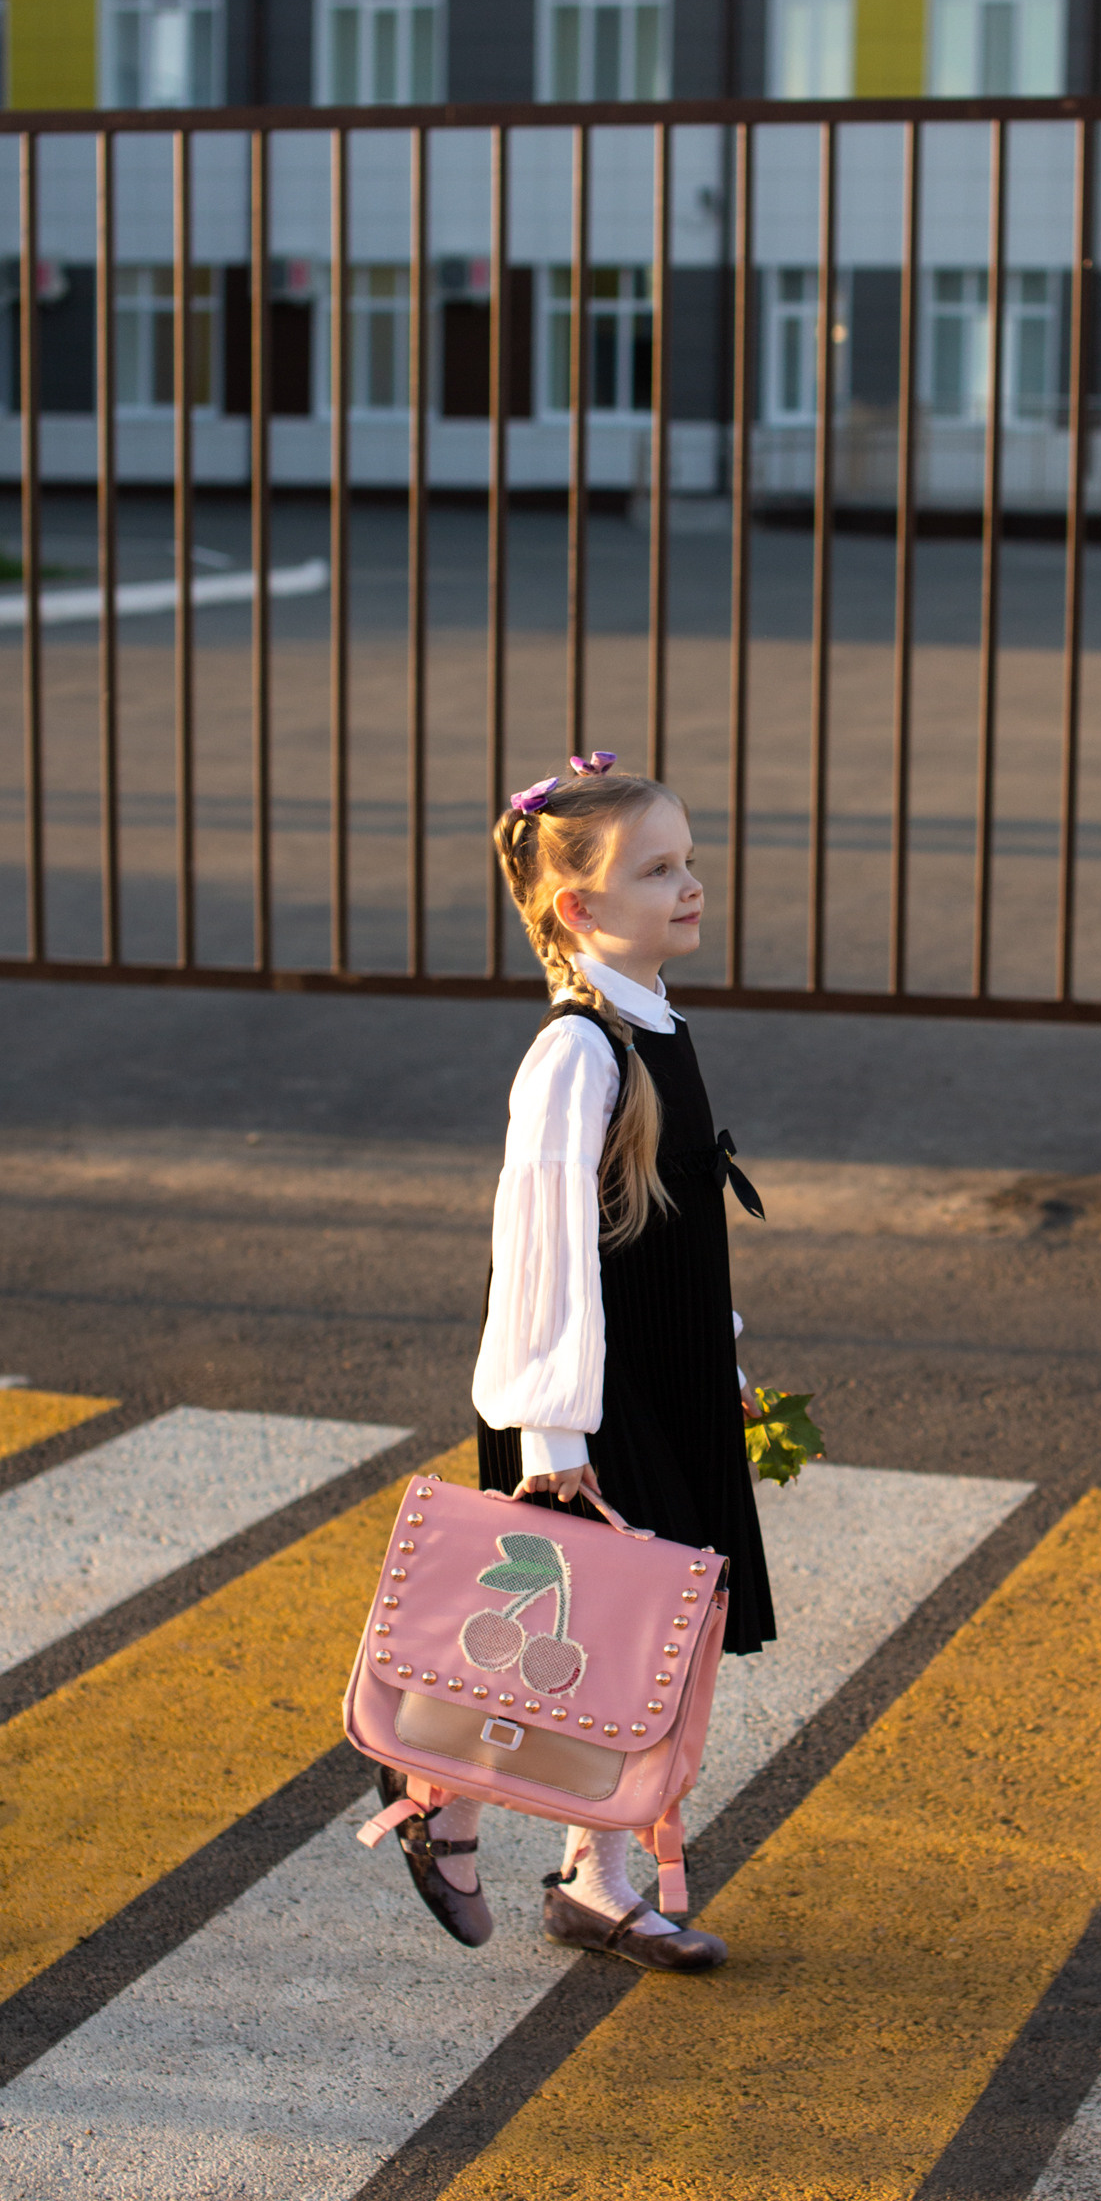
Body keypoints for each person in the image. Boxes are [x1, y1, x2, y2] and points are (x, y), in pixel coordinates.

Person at [374, 755, 774, 1975]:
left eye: (688, 859)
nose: (690, 884)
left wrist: (727, 1359)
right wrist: (552, 1442)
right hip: (588, 1413)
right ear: (576, 909)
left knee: (637, 1649)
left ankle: (584, 1875)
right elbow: (541, 1246)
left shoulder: (655, 1023)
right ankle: (437, 1774)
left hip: (661, 1389)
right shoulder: (577, 1055)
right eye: (657, 870)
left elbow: (667, 1239)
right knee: (593, 1645)